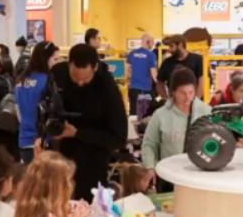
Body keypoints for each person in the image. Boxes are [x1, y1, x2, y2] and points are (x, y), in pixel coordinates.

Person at [46, 44, 128, 201]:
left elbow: (118, 138)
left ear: (95, 67)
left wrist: (78, 133)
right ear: (69, 64)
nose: (79, 83)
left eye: (85, 80)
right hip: (61, 160)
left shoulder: (107, 89)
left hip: (92, 164)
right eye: (75, 78)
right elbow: (46, 104)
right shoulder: (58, 73)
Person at [142, 67, 210, 191]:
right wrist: (150, 167)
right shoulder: (160, 115)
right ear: (172, 91)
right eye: (182, 93)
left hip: (199, 177)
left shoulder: (206, 111)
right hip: (169, 177)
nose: (187, 97)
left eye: (191, 92)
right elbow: (149, 144)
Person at [15, 42, 59, 163]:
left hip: (24, 140)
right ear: (46, 59)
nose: (56, 63)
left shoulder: (21, 80)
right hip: (43, 142)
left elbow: (18, 113)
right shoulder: (48, 80)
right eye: (55, 59)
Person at [126, 34, 158, 118]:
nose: (153, 44)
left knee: (133, 116)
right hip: (145, 91)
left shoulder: (132, 53)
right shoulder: (151, 55)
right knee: (144, 117)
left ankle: (132, 131)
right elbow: (154, 75)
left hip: (133, 89)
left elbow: (127, 70)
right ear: (148, 42)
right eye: (152, 42)